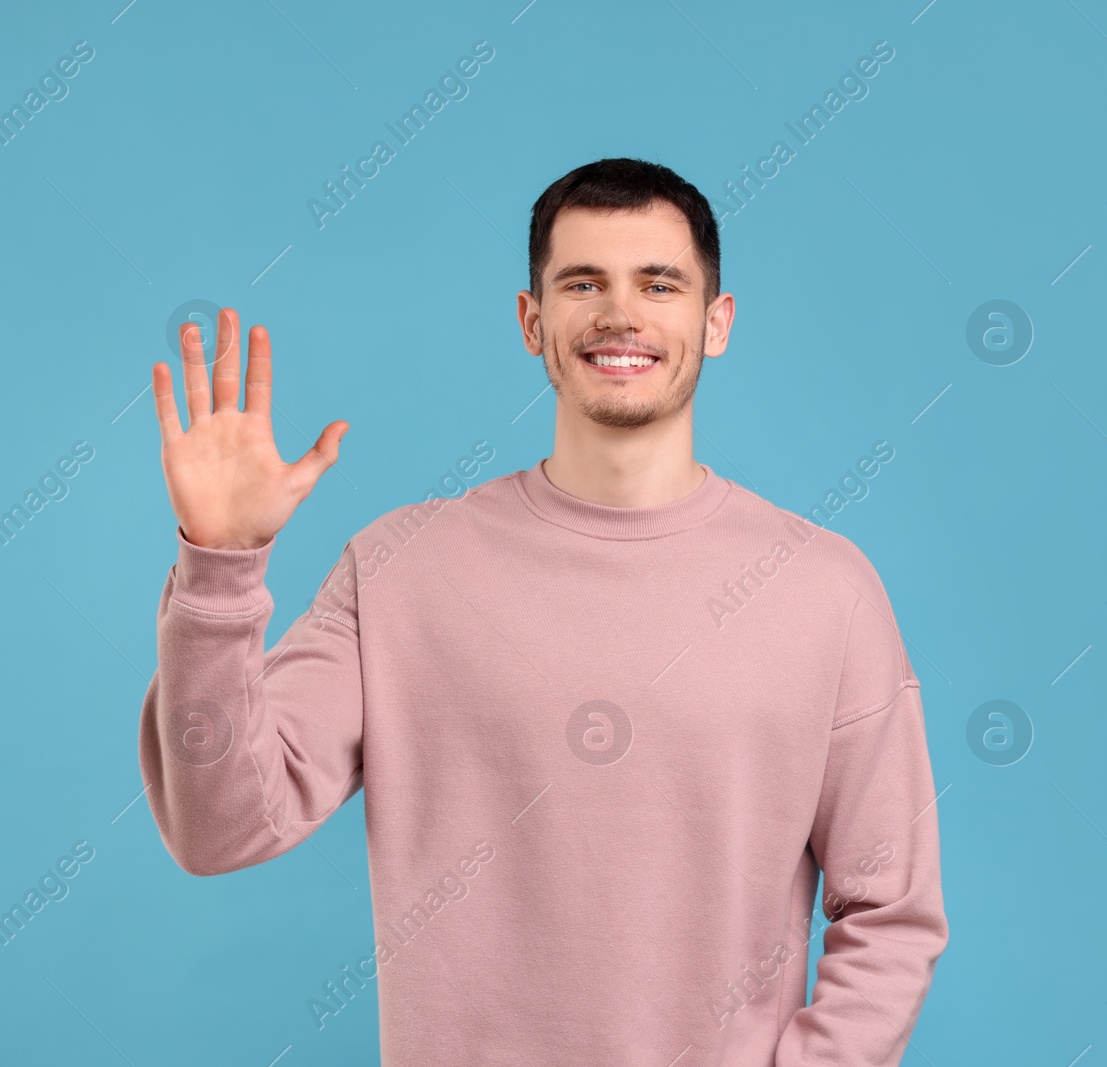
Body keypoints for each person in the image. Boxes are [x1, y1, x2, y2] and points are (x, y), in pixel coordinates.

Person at [139, 157, 948, 1065]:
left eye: (659, 283)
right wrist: (220, 567)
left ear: (716, 322)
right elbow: (218, 827)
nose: (620, 313)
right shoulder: (400, 567)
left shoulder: (823, 589)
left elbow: (893, 912)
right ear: (532, 321)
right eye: (582, 282)